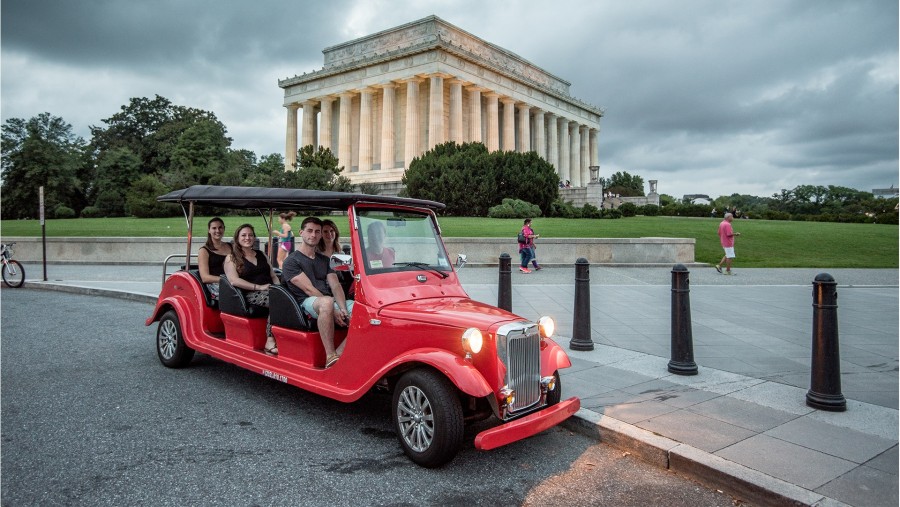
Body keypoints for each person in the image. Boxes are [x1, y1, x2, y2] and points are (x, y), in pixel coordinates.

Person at [282, 217, 355, 368]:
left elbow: (335, 286)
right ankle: (330, 355)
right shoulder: (292, 261)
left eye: (317, 232)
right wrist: (334, 309)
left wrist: (341, 308)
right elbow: (309, 289)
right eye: (309, 231)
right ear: (301, 233)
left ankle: (341, 354)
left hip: (327, 300)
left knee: (364, 311)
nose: (313, 235)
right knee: (327, 302)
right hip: (306, 302)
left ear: (321, 235)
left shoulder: (324, 260)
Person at [224, 224, 280, 355]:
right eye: (243, 235)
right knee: (277, 301)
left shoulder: (261, 255)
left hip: (270, 290)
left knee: (287, 297)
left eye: (250, 235)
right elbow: (234, 280)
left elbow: (273, 275)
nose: (247, 238)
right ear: (237, 238)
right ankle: (270, 341)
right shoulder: (231, 258)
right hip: (249, 294)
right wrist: (259, 287)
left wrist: (279, 288)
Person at [197, 217, 232, 299]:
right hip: (215, 284)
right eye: (214, 228)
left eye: (220, 227)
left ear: (224, 229)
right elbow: (205, 277)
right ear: (209, 230)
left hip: (233, 281)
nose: (217, 231)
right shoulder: (204, 251)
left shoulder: (231, 246)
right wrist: (226, 280)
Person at [318, 219, 353, 297]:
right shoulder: (316, 253)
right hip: (322, 289)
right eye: (325, 231)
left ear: (335, 232)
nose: (329, 234)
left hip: (339, 288)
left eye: (332, 231)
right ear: (320, 234)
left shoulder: (340, 253)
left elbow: (345, 275)